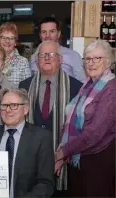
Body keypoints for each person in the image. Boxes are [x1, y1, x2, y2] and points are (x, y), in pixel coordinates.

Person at [19, 41, 82, 193]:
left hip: (63, 165)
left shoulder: (76, 88)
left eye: (52, 54)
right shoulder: (24, 86)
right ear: (36, 60)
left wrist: (62, 157)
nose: (47, 58)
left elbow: (79, 129)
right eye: (42, 55)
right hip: (31, 165)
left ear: (60, 59)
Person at [55, 40, 115, 197]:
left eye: (97, 58)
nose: (91, 63)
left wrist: (63, 152)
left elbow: (95, 132)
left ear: (108, 60)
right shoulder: (88, 84)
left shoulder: (111, 89)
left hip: (98, 163)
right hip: (80, 159)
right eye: (88, 59)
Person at [0, 88, 55, 198]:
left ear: (25, 109)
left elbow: (46, 184)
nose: (8, 110)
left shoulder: (42, 138)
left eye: (14, 105)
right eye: (4, 105)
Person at [30, 17, 86, 82]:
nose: (47, 35)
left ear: (58, 34)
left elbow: (82, 83)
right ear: (40, 35)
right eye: (44, 32)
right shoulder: (34, 57)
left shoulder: (73, 56)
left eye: (52, 31)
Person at [0, 22, 31, 87]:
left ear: (15, 42)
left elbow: (27, 89)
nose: (7, 41)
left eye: (11, 38)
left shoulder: (23, 62)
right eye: (3, 37)